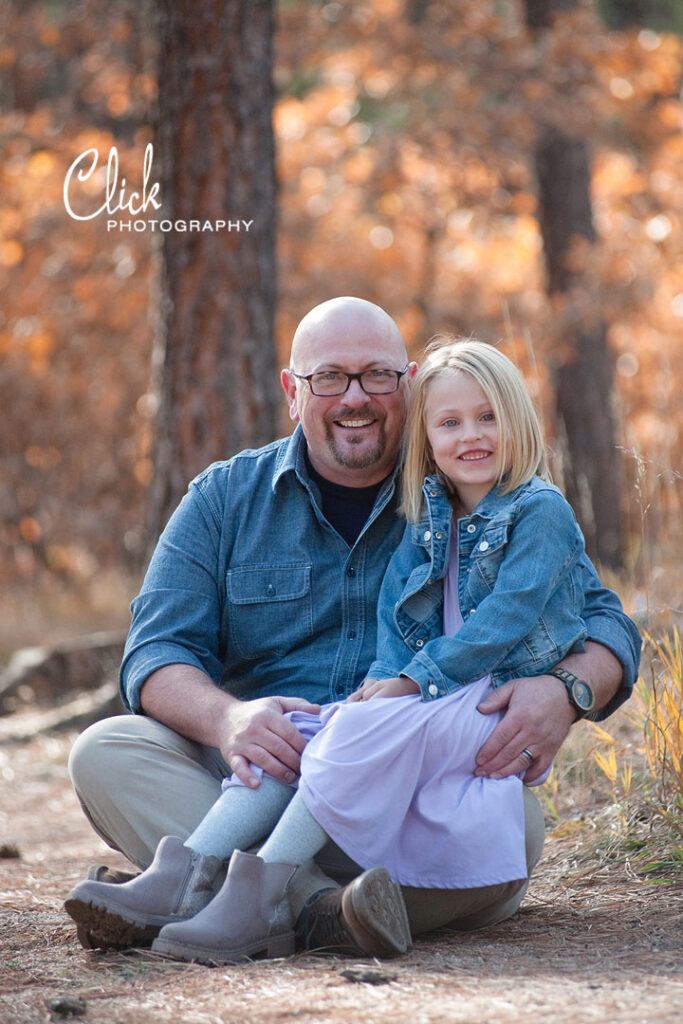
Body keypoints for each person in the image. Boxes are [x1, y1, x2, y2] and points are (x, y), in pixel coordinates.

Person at [66, 300, 641, 958]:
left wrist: (565, 688)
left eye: (376, 376)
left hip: (408, 788)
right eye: (328, 378)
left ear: (408, 383)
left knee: (519, 827)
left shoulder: (471, 491)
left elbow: (603, 619)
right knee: (108, 749)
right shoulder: (222, 498)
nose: (354, 398)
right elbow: (156, 652)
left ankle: (241, 896)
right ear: (292, 391)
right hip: (262, 771)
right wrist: (230, 721)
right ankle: (320, 909)